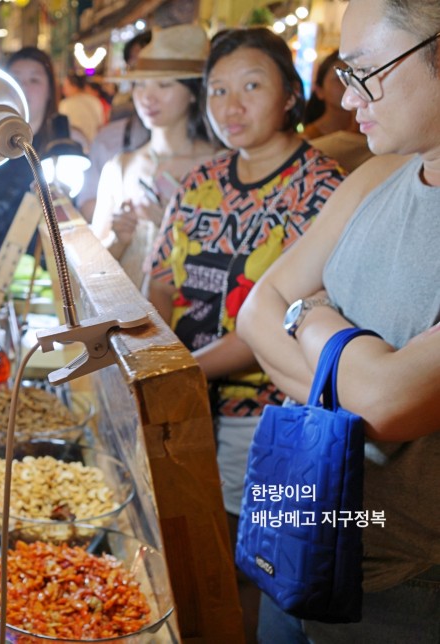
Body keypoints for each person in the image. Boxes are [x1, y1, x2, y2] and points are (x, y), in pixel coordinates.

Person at [236, 0, 440, 640]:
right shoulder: (377, 176)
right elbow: (253, 313)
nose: (348, 100)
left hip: (408, 573)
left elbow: (386, 405)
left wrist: (315, 321)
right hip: (301, 518)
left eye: (364, 72)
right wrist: (354, 377)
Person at [144, 28, 345, 641]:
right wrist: (159, 345)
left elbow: (292, 316)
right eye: (218, 91)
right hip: (180, 396)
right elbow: (158, 277)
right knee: (193, 547)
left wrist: (181, 368)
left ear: (290, 94)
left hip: (264, 414)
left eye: (251, 86)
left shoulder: (324, 188)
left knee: (253, 562)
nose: (231, 106)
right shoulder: (200, 178)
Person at [90, 24, 219, 288]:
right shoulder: (121, 167)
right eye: (140, 84)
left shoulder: (218, 166)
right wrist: (119, 238)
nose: (147, 96)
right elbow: (93, 271)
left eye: (163, 84)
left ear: (193, 92)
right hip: (127, 320)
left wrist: (173, 229)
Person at [0, 47, 74, 276]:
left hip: (54, 264)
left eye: (34, 80)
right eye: (16, 79)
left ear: (50, 89)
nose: (24, 88)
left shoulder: (68, 140)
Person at [77, 30, 153, 220]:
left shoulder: (210, 156)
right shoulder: (110, 145)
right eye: (139, 78)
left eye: (164, 83)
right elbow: (87, 202)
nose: (150, 95)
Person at [302, 50, 373, 171]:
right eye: (339, 77)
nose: (349, 84)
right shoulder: (308, 140)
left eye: (355, 76)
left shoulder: (374, 131)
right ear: (319, 91)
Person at [59, 73, 103, 147]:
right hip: (94, 147)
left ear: (74, 86)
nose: (63, 90)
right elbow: (100, 126)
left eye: (66, 86)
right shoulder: (95, 101)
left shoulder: (65, 104)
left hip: (74, 148)